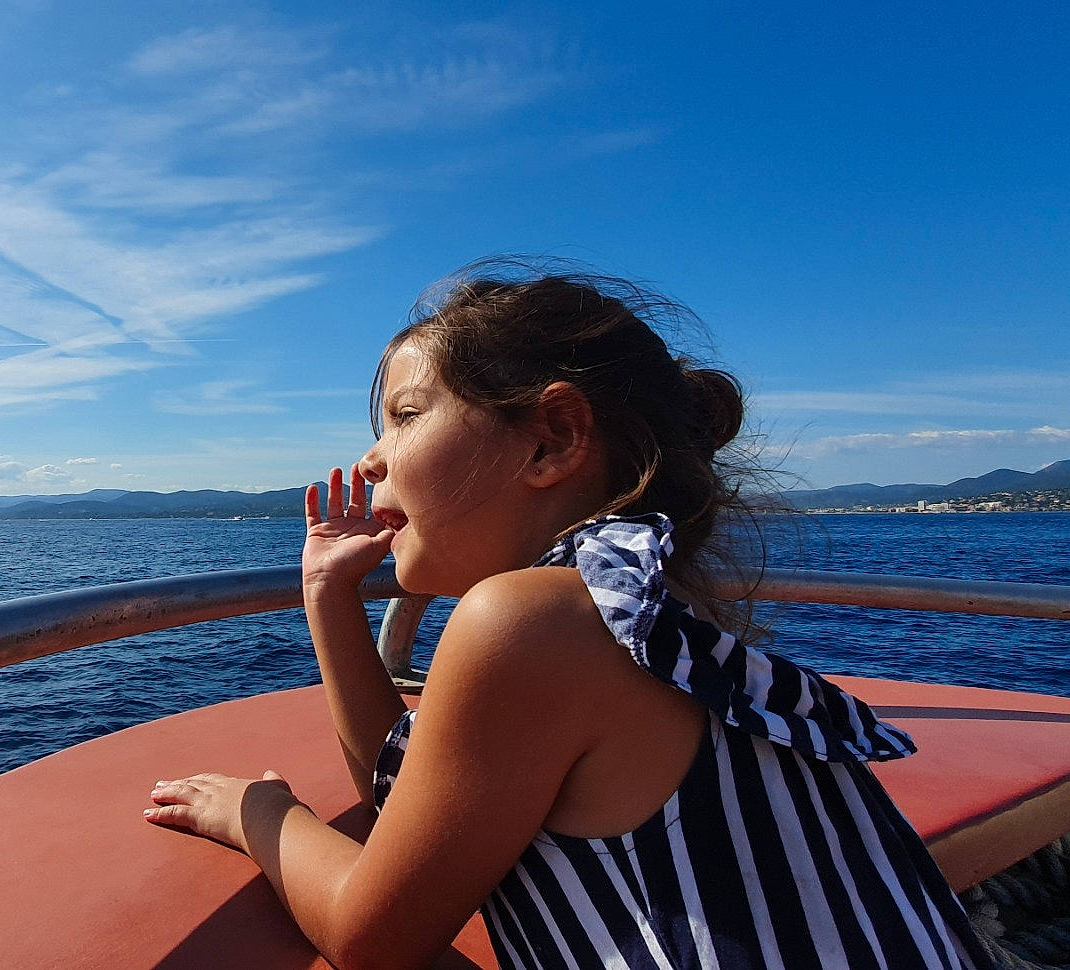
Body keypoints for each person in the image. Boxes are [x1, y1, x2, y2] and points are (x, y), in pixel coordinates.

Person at [143, 263, 993, 970]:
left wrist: (257, 815)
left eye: (404, 416)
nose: (369, 460)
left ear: (551, 438)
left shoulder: (527, 621)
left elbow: (376, 939)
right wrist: (329, 595)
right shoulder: (639, 608)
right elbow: (410, 801)